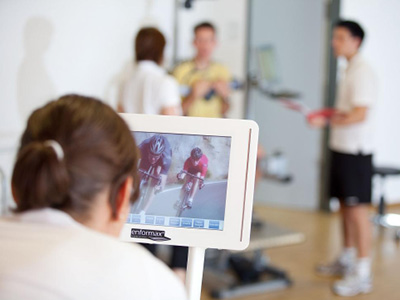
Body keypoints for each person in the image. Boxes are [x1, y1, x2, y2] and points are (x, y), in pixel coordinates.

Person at [0, 95, 187, 300]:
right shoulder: (151, 283)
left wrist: (160, 179)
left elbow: (161, 173)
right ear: (122, 195)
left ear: (15, 186)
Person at [309, 20, 377, 297]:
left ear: (355, 41)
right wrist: (327, 115)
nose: (333, 42)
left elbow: (361, 114)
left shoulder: (362, 72)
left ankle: (363, 272)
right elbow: (347, 111)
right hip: (341, 148)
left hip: (356, 153)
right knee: (344, 207)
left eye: (339, 38)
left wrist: (326, 123)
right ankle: (347, 258)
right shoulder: (348, 69)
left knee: (358, 211)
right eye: (334, 37)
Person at [173, 22, 231, 118]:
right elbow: (175, 113)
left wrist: (225, 97)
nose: (205, 45)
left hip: (215, 127)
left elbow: (224, 111)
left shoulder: (222, 70)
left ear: (215, 43)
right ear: (194, 42)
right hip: (190, 127)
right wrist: (193, 96)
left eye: (209, 40)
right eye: (201, 40)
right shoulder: (181, 71)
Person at [119, 27, 181, 116]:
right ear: (161, 51)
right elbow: (171, 124)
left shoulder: (124, 82)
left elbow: (120, 115)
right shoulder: (166, 82)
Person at [134, 134, 172, 214]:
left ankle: (143, 211)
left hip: (160, 163)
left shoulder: (166, 158)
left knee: (156, 181)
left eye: (156, 156)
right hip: (145, 157)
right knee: (140, 172)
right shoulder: (143, 147)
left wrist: (159, 186)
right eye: (151, 155)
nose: (153, 159)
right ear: (148, 150)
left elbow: (162, 182)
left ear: (161, 154)